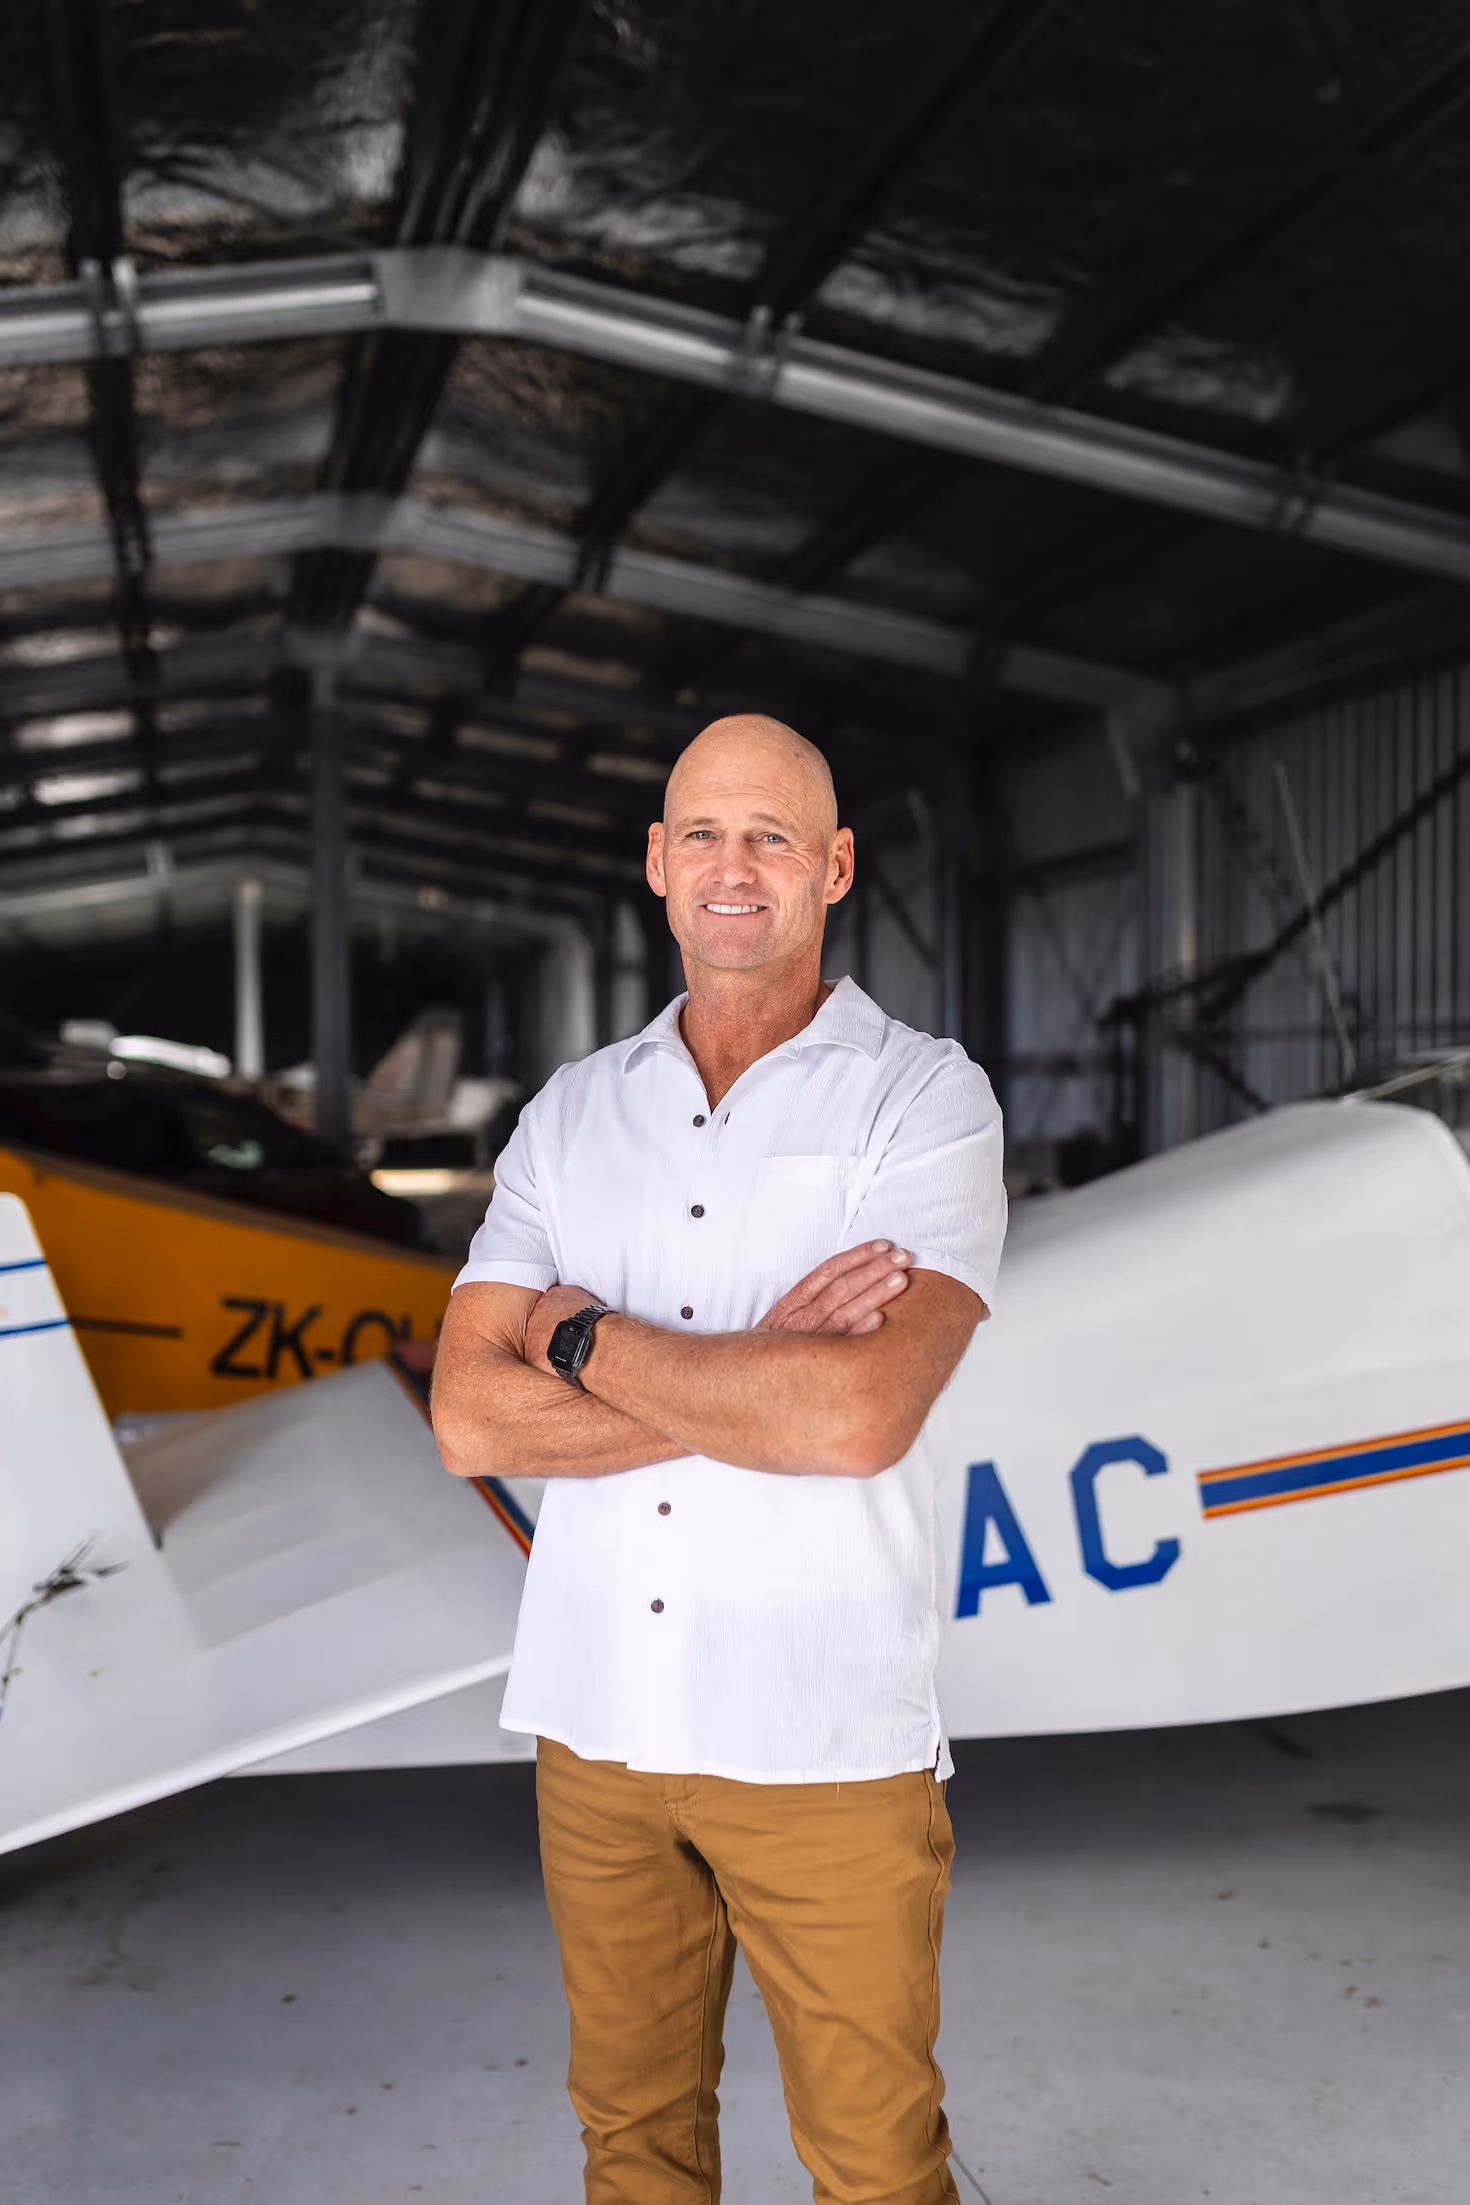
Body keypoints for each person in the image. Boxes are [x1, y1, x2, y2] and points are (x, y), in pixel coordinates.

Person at [432, 713, 1006, 2205]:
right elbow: (464, 1423)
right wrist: (762, 1363)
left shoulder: (920, 1098)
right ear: (655, 863)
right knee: (632, 2143)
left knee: (877, 2165)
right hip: (595, 1718)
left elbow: (857, 1418)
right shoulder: (571, 1114)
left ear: (834, 867)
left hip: (819, 1735)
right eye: (701, 832)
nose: (731, 866)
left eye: (769, 836)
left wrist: (573, 1338)